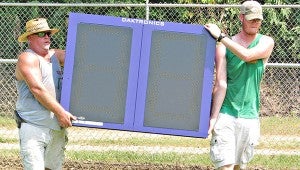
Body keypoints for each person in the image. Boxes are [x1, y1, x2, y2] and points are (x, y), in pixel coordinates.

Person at [204, 1, 274, 169]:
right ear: (241, 17)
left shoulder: (266, 42)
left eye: (258, 19)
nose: (255, 23)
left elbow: (248, 56)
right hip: (226, 114)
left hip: (250, 116)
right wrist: (213, 119)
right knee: (226, 166)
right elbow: (221, 84)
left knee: (238, 167)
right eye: (251, 19)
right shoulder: (222, 48)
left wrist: (221, 37)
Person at [15, 18, 76, 170]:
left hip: (56, 127)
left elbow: (82, 58)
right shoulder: (27, 58)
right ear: (30, 37)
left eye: (48, 33)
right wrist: (61, 112)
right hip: (33, 126)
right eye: (42, 34)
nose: (47, 37)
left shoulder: (56, 56)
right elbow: (37, 89)